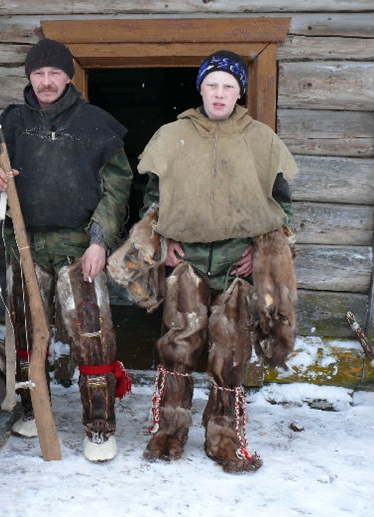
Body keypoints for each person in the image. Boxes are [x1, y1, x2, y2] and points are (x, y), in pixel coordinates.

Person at [130, 50, 299, 472]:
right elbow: (153, 197)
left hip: (236, 263)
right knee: (177, 348)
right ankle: (169, 432)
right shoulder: (173, 135)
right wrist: (162, 237)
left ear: (239, 91)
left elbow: (282, 207)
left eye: (228, 86)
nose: (219, 93)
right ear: (200, 89)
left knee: (231, 352)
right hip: (186, 260)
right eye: (212, 85)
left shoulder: (261, 140)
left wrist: (260, 252)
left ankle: (223, 437)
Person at [0, 38, 133, 462]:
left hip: (80, 248)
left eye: (54, 74)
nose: (45, 82)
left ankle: (99, 427)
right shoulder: (10, 124)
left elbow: (118, 188)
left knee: (92, 334)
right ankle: (32, 410)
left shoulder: (96, 124)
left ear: (68, 76)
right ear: (29, 77)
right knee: (25, 333)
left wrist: (100, 241)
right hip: (24, 245)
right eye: (38, 74)